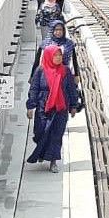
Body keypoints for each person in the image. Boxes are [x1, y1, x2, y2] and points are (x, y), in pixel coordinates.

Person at [26, 44, 83, 173]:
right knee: (40, 132)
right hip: (43, 106)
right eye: (55, 55)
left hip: (60, 107)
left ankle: (53, 161)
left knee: (56, 135)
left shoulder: (65, 71)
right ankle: (42, 152)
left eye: (59, 55)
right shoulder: (40, 70)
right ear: (48, 56)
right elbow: (34, 89)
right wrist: (30, 106)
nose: (58, 58)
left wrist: (74, 105)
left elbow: (71, 89)